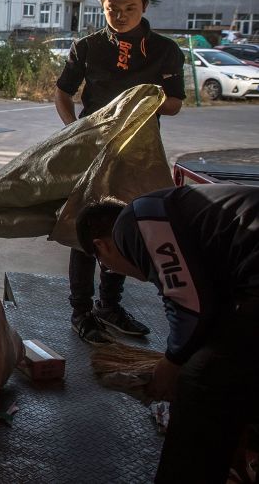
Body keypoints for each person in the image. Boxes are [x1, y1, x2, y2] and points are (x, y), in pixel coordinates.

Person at [76, 185, 259, 484]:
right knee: (229, 372)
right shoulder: (165, 216)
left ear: (102, 246)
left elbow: (188, 302)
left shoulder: (133, 223)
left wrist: (171, 363)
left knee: (200, 379)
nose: (107, 269)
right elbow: (212, 311)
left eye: (101, 263)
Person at [55, 0, 186, 345]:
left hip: (138, 154)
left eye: (130, 8)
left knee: (124, 226)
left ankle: (108, 305)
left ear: (144, 6)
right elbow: (63, 93)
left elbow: (175, 103)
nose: (121, 16)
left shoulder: (165, 50)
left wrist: (148, 98)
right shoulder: (87, 47)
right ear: (103, 7)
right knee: (82, 229)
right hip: (91, 150)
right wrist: (71, 130)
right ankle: (81, 312)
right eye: (113, 9)